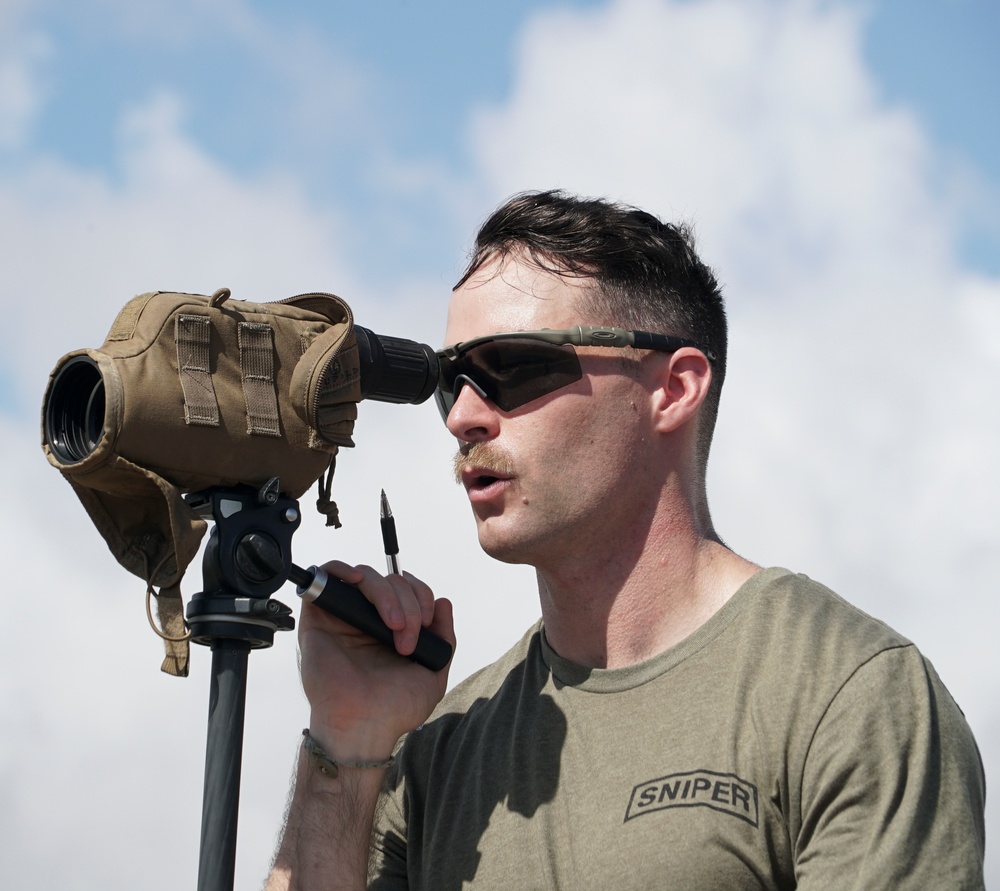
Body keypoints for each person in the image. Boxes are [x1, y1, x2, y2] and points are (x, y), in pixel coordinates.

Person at [266, 190, 986, 890]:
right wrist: (347, 736)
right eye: (450, 383)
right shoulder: (439, 746)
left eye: (513, 367)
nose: (466, 417)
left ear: (672, 390)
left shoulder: (844, 692)